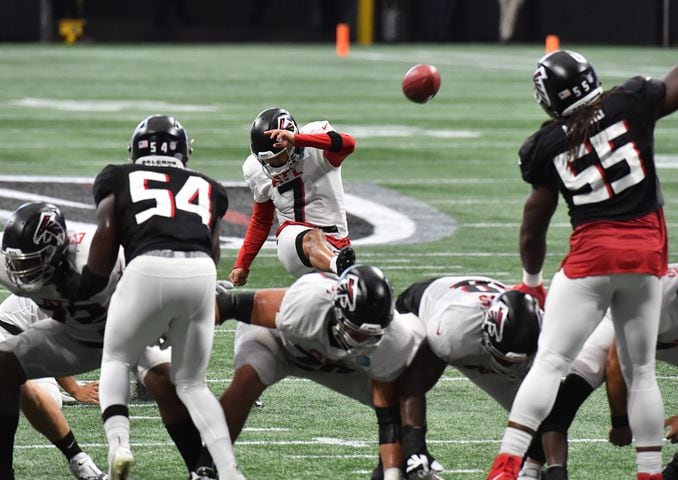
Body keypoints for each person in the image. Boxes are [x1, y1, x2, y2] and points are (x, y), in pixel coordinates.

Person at [487, 50, 678, 480]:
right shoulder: (629, 100)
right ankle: (648, 472)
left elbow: (533, 226)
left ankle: (506, 465)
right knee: (642, 371)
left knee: (551, 362)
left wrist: (531, 281)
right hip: (646, 255)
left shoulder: (546, 143)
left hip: (592, 256)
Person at [66, 114, 242, 480]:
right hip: (200, 274)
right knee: (192, 383)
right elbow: (212, 249)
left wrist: (88, 287)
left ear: (136, 149)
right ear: (184, 151)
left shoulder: (117, 176)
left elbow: (106, 234)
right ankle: (226, 470)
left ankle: (119, 447)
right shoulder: (209, 186)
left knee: (116, 357)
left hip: (146, 267)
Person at [0, 202, 207, 480]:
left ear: (54, 252)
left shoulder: (100, 257)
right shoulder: (11, 262)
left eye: (30, 264)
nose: (20, 273)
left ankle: (202, 469)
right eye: (17, 264)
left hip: (127, 331)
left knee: (164, 379)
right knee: (4, 364)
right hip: (74, 336)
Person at [200, 265, 423, 480]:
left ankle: (388, 472)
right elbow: (228, 305)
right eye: (358, 333)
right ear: (339, 311)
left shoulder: (393, 338)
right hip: (281, 342)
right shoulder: (307, 303)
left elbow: (388, 417)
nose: (367, 341)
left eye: (373, 335)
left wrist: (392, 474)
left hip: (342, 363)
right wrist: (177, 331)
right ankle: (206, 465)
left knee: (399, 402)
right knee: (247, 378)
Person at [393, 275, 617, 480]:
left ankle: (534, 471)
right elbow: (412, 386)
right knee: (394, 381)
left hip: (487, 334)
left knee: (541, 413)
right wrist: (415, 449)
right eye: (506, 361)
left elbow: (551, 414)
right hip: (421, 307)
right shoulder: (454, 332)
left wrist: (558, 470)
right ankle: (390, 468)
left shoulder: (547, 334)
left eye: (517, 362)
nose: (510, 368)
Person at [228, 107, 357, 287]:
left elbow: (349, 144)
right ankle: (338, 265)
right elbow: (261, 220)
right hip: (293, 242)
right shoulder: (255, 170)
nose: (273, 165)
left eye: (278, 157)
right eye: (266, 161)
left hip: (336, 243)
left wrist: (298, 140)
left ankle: (337, 266)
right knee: (310, 237)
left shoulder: (315, 144)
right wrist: (242, 263)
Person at [0, 294, 105, 480]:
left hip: (28, 344)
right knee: (21, 383)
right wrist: (75, 390)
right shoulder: (60, 291)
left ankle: (80, 462)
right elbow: (50, 344)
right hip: (6, 336)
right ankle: (81, 462)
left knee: (51, 398)